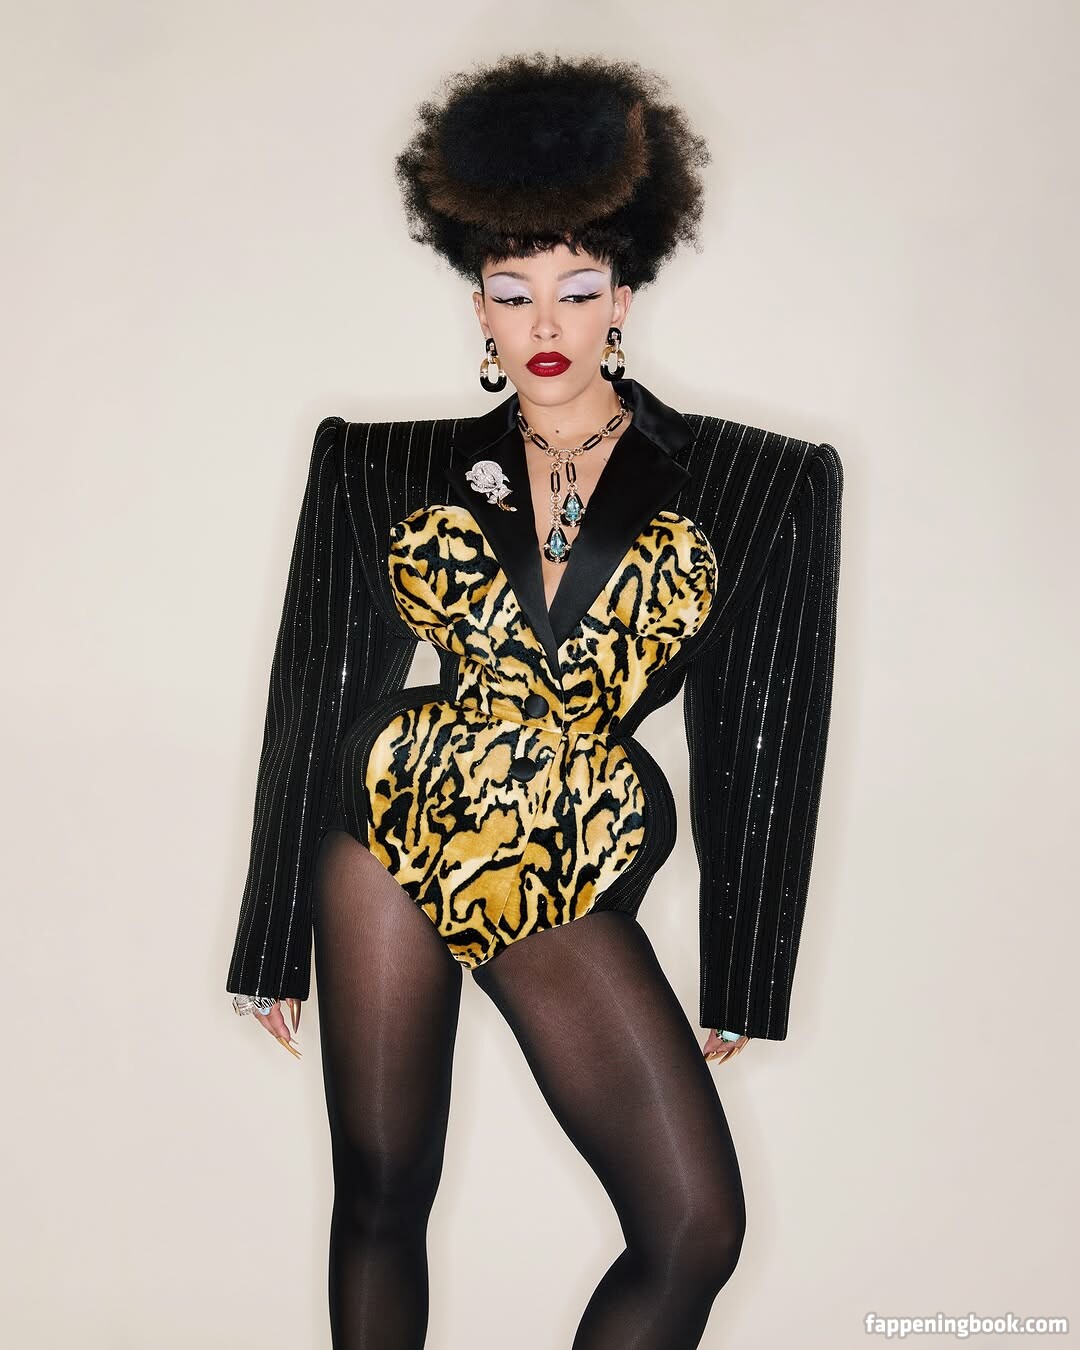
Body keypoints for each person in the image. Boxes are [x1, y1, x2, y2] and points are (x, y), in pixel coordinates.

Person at [225, 52, 843, 1350]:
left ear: (624, 295)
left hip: (571, 844)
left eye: (575, 287)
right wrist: (272, 936)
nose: (544, 320)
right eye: (512, 293)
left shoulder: (757, 483)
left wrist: (748, 965)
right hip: (390, 818)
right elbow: (315, 690)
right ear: (479, 307)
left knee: (691, 1227)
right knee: (381, 1190)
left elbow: (764, 728)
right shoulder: (377, 464)